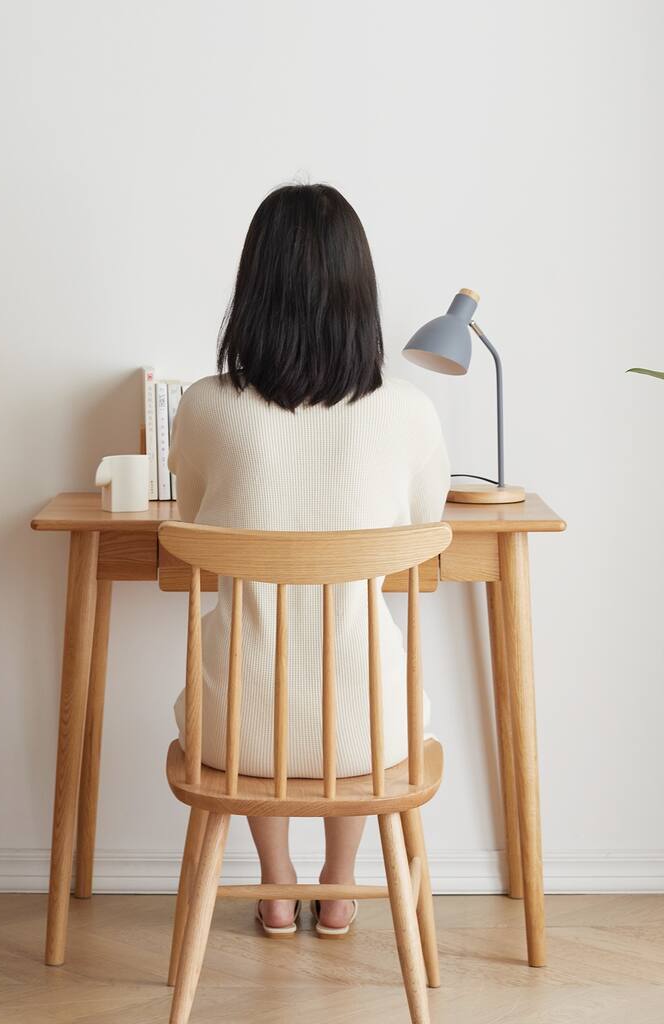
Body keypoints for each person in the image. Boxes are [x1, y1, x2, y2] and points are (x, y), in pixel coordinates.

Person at [168, 183, 449, 936]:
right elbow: (426, 532)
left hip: (233, 735)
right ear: (361, 292)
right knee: (358, 673)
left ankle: (276, 879)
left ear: (254, 288)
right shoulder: (410, 412)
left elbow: (192, 520)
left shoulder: (201, 406)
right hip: (372, 735)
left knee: (255, 669)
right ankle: (341, 880)